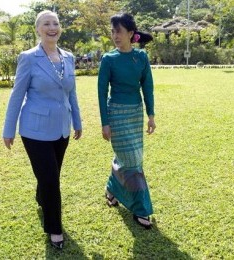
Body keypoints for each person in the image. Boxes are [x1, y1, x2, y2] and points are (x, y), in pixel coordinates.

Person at [2, 10, 82, 249]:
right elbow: (17, 95)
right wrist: (9, 129)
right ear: (38, 29)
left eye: (56, 23)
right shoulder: (28, 58)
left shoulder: (68, 57)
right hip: (34, 130)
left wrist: (77, 121)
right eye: (46, 23)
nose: (52, 27)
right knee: (50, 179)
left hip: (61, 129)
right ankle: (54, 228)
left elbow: (72, 93)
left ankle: (41, 197)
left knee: (50, 175)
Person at [98, 13, 156, 229]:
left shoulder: (141, 57)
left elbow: (147, 87)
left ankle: (112, 189)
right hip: (117, 115)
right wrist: (105, 122)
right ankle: (141, 208)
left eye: (118, 31)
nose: (115, 35)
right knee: (132, 161)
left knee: (132, 158)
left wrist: (151, 115)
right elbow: (102, 93)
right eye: (112, 31)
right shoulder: (108, 59)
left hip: (135, 114)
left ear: (131, 34)